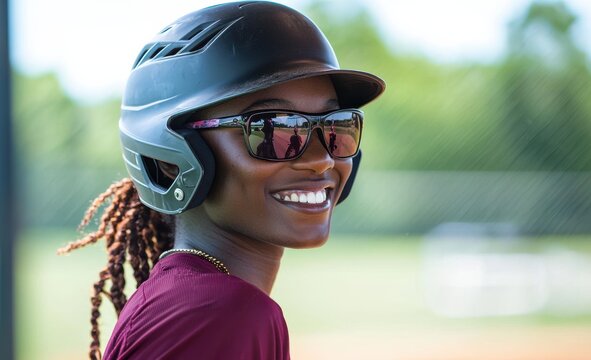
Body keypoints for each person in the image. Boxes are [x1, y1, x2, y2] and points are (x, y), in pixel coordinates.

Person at [58, 1, 385, 359]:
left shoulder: (191, 298)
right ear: (169, 160)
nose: (321, 158)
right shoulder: (219, 312)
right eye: (272, 128)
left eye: (336, 126)